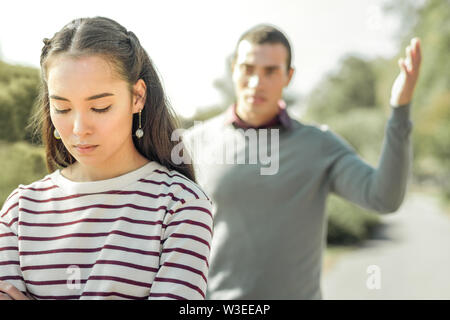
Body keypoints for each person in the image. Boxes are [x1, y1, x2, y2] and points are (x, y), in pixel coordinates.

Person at [182, 24, 421, 299]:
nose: (257, 82)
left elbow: (383, 198)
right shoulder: (193, 143)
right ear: (234, 69)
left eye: (270, 71)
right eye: (248, 68)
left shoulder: (318, 145)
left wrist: (400, 110)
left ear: (288, 76)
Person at [0, 17, 212, 300]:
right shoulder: (20, 210)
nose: (78, 129)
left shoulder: (180, 205)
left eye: (100, 107)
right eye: (62, 108)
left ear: (137, 96)